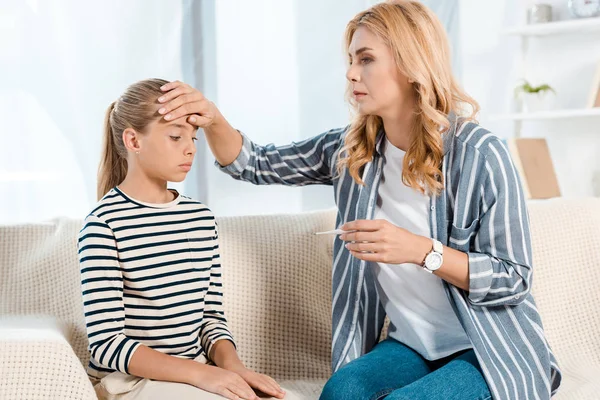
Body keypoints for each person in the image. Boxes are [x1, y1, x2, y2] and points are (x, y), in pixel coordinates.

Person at [155, 1, 562, 398]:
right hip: (413, 347)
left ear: (409, 64)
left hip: (487, 349)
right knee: (341, 391)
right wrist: (210, 117)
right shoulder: (353, 151)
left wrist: (421, 251)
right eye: (350, 60)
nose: (350, 73)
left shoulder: (479, 154)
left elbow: (513, 279)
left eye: (366, 59)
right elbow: (255, 164)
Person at [78, 78, 286, 400]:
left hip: (195, 374)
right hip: (130, 382)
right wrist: (203, 375)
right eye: (175, 136)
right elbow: (106, 345)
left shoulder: (200, 218)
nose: (190, 148)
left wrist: (234, 369)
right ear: (133, 140)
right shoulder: (104, 225)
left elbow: (210, 318)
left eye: (193, 137)